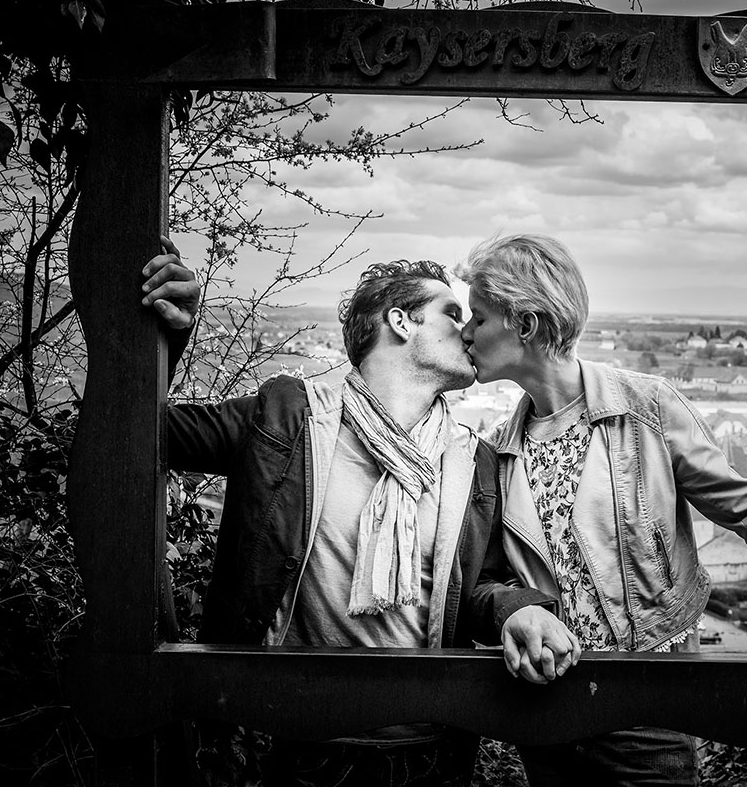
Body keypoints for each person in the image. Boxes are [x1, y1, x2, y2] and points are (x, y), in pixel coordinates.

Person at [456, 233, 747, 787]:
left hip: (650, 704)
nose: (465, 332)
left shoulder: (647, 409)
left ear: (525, 323)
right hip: (547, 711)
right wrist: (516, 612)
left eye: (477, 316)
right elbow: (488, 579)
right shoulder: (498, 449)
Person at [141, 239, 581, 787]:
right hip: (290, 742)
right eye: (451, 314)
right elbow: (142, 431)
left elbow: (479, 586)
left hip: (428, 749)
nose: (468, 331)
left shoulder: (475, 460)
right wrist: (167, 338)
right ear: (400, 321)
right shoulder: (286, 420)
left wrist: (519, 611)